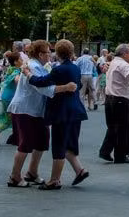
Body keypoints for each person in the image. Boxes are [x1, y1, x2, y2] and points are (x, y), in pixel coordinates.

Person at [6, 40, 74, 187]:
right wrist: (66, 87)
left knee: (42, 141)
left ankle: (32, 172)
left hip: (36, 110)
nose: (50, 55)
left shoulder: (39, 66)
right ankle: (15, 176)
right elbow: (43, 88)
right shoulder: (33, 66)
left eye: (50, 52)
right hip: (26, 109)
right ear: (39, 54)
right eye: (47, 52)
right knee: (25, 143)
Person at [28, 39, 89, 189]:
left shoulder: (59, 69)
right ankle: (79, 170)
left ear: (57, 53)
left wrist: (28, 75)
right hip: (76, 110)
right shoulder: (75, 68)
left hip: (62, 111)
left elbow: (42, 82)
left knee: (59, 145)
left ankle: (55, 180)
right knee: (68, 143)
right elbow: (79, 84)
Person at [0, 52, 23, 147]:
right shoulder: (16, 70)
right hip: (11, 97)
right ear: (16, 62)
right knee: (9, 118)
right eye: (20, 59)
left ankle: (15, 137)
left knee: (8, 116)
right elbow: (16, 80)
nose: (22, 60)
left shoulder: (10, 68)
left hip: (6, 95)